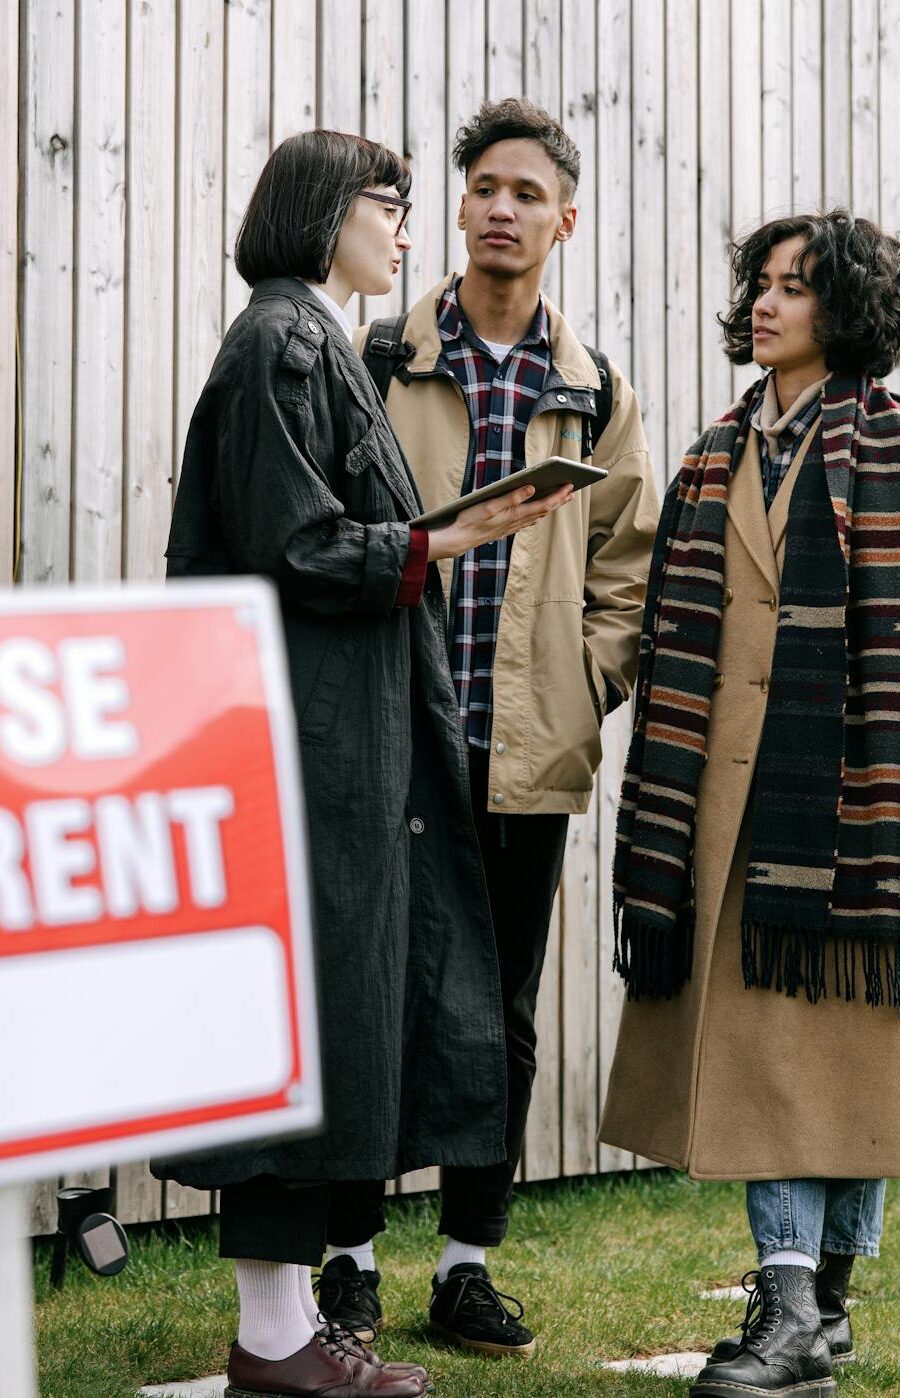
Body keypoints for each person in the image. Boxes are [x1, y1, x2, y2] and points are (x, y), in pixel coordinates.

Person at [151, 128, 575, 1398]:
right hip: (309, 744)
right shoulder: (286, 339)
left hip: (329, 739)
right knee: (299, 1023)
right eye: (389, 206)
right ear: (329, 211)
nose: (407, 228)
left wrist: (446, 532)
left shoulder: (307, 339)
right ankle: (275, 1344)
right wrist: (443, 543)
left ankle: (282, 1336)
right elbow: (299, 546)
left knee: (316, 1025)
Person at [314, 98, 659, 1359]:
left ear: (565, 219)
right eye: (484, 188)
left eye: (528, 192)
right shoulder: (372, 359)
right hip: (392, 743)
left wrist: (587, 678)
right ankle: (345, 1260)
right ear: (460, 210)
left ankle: (466, 1266)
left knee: (498, 1013)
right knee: (368, 999)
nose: (501, 208)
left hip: (524, 756)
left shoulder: (597, 388)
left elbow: (629, 564)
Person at [601, 209, 900, 1398]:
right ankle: (792, 1309)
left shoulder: (886, 447)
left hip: (852, 802)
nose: (769, 304)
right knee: (773, 1058)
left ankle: (815, 1313)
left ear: (849, 309)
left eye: (798, 287)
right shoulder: (715, 451)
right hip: (721, 805)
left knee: (846, 1062)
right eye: (761, 285)